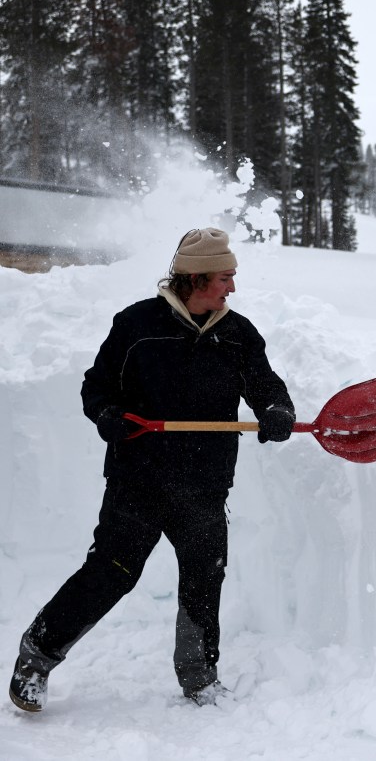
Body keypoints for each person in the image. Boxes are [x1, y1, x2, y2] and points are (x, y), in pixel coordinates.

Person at [9, 228, 296, 711]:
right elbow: (96, 388)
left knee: (205, 577)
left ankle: (200, 676)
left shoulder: (238, 335)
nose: (232, 287)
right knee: (111, 574)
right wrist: (109, 417)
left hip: (205, 485)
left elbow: (267, 386)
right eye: (226, 277)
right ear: (197, 277)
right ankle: (35, 655)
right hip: (137, 482)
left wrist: (277, 411)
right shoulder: (137, 326)